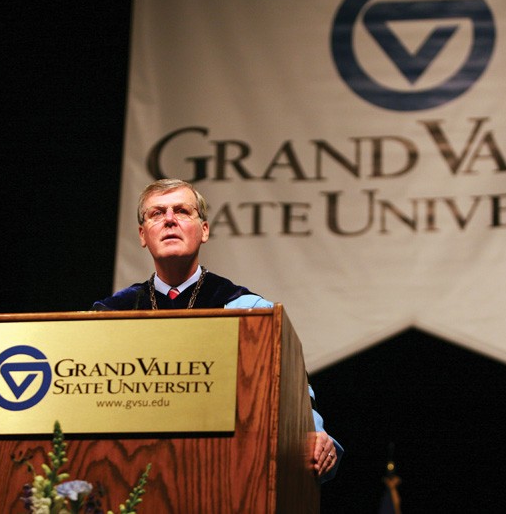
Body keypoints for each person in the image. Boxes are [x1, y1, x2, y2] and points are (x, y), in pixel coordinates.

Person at [94, 178, 343, 480]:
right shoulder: (108, 316)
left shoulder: (249, 310)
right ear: (142, 235)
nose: (169, 220)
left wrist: (315, 435)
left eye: (182, 211)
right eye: (157, 213)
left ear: (204, 230)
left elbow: (294, 393)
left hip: (226, 472)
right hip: (131, 469)